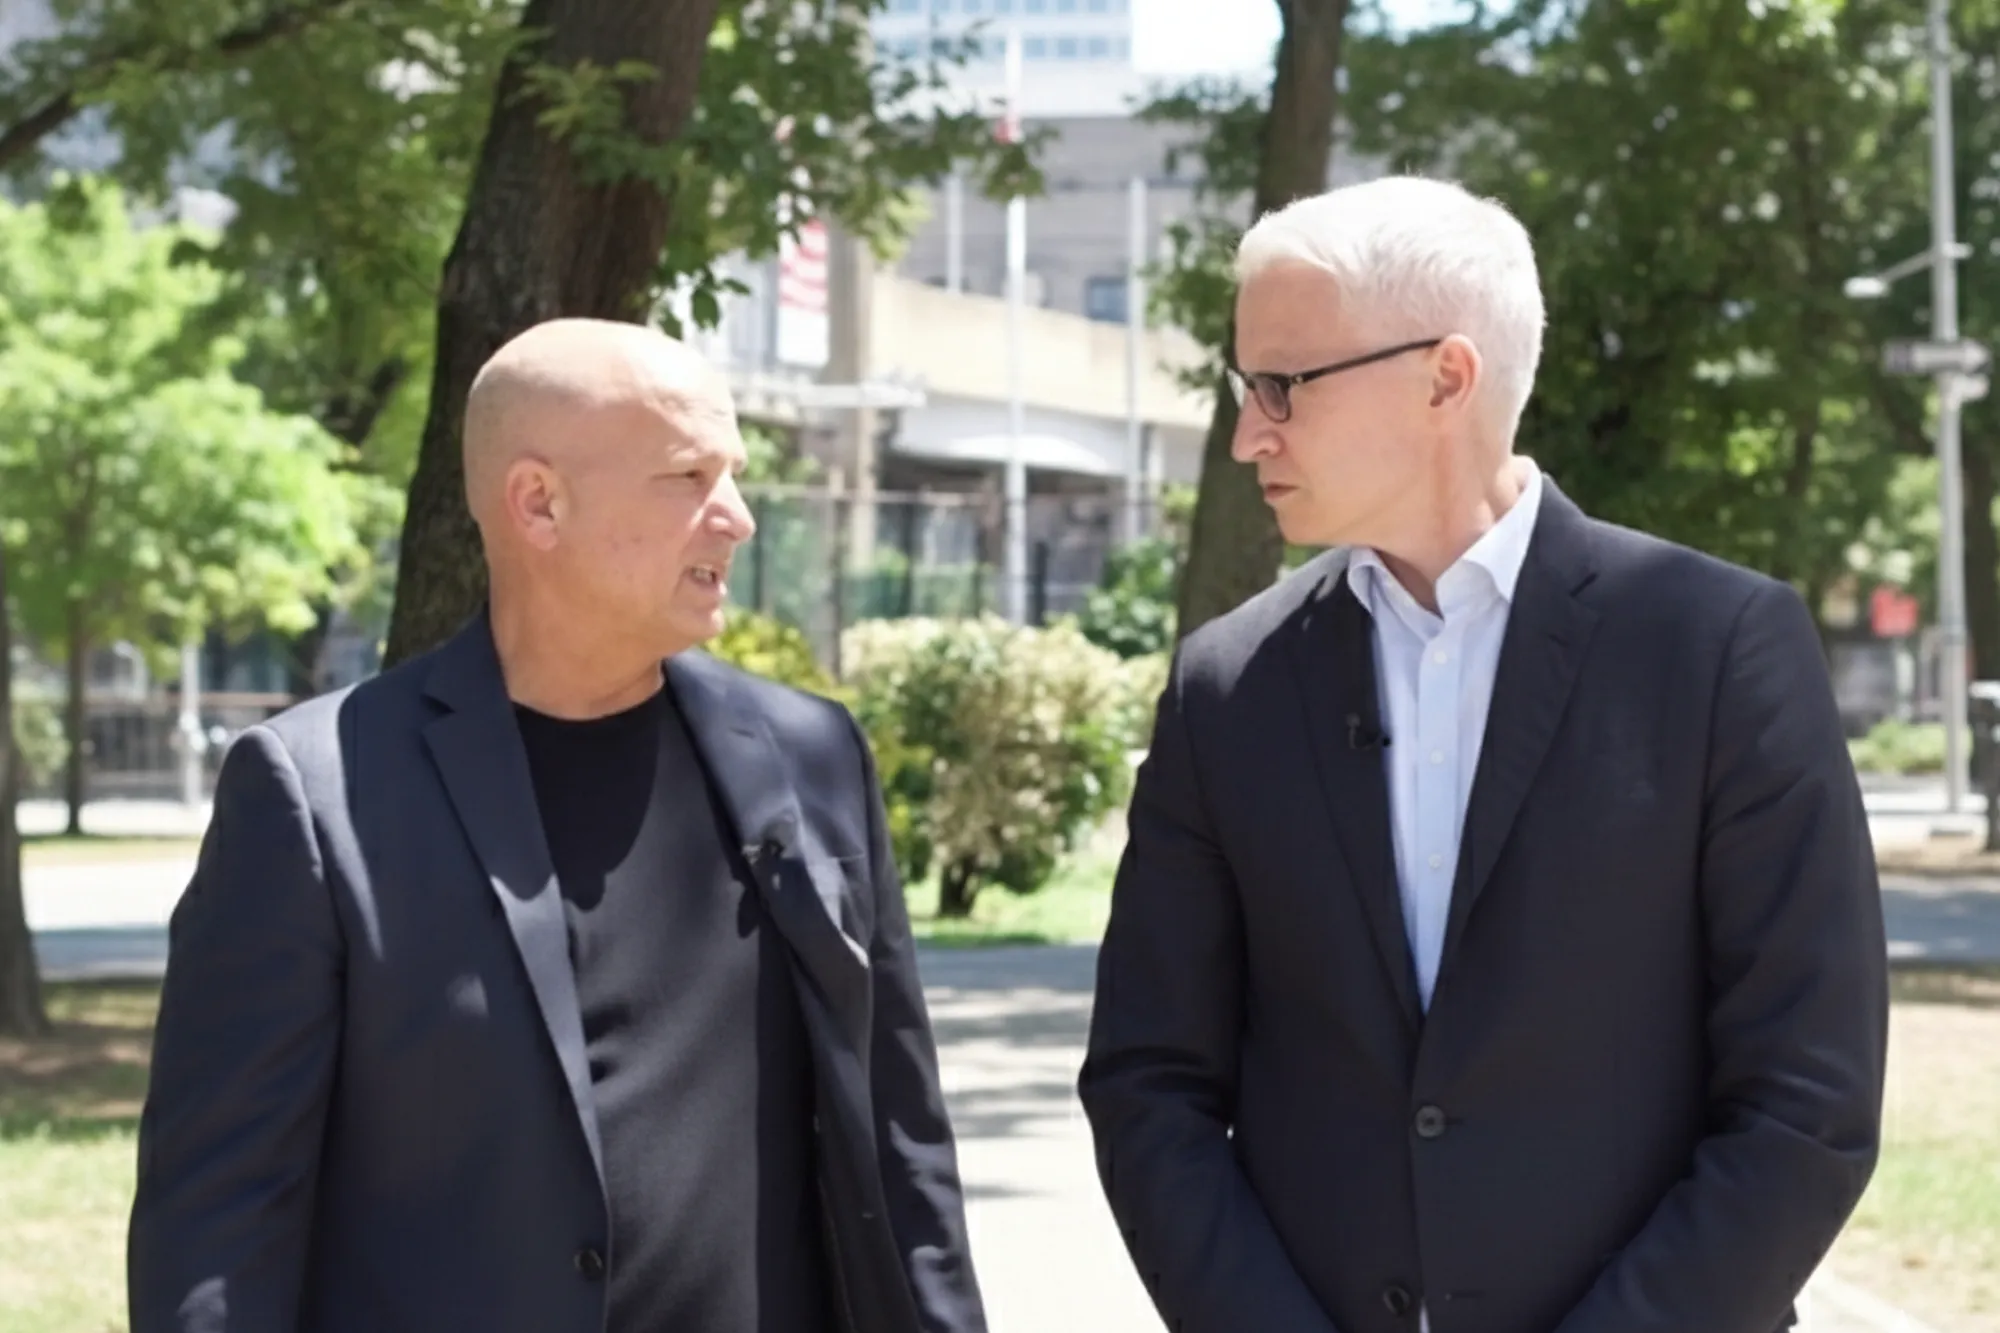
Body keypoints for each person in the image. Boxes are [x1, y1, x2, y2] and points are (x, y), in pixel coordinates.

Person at [1077, 176, 1888, 1333]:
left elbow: (1805, 1099)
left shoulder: (1714, 648)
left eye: (1281, 385)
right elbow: (1148, 1082)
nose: (1249, 429)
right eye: (1243, 387)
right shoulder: (1225, 686)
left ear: (1443, 378)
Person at [128, 318, 987, 1333]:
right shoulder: (313, 797)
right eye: (688, 476)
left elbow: (902, 1149)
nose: (738, 518)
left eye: (736, 473)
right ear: (537, 502)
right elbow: (218, 1236)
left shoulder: (814, 757)